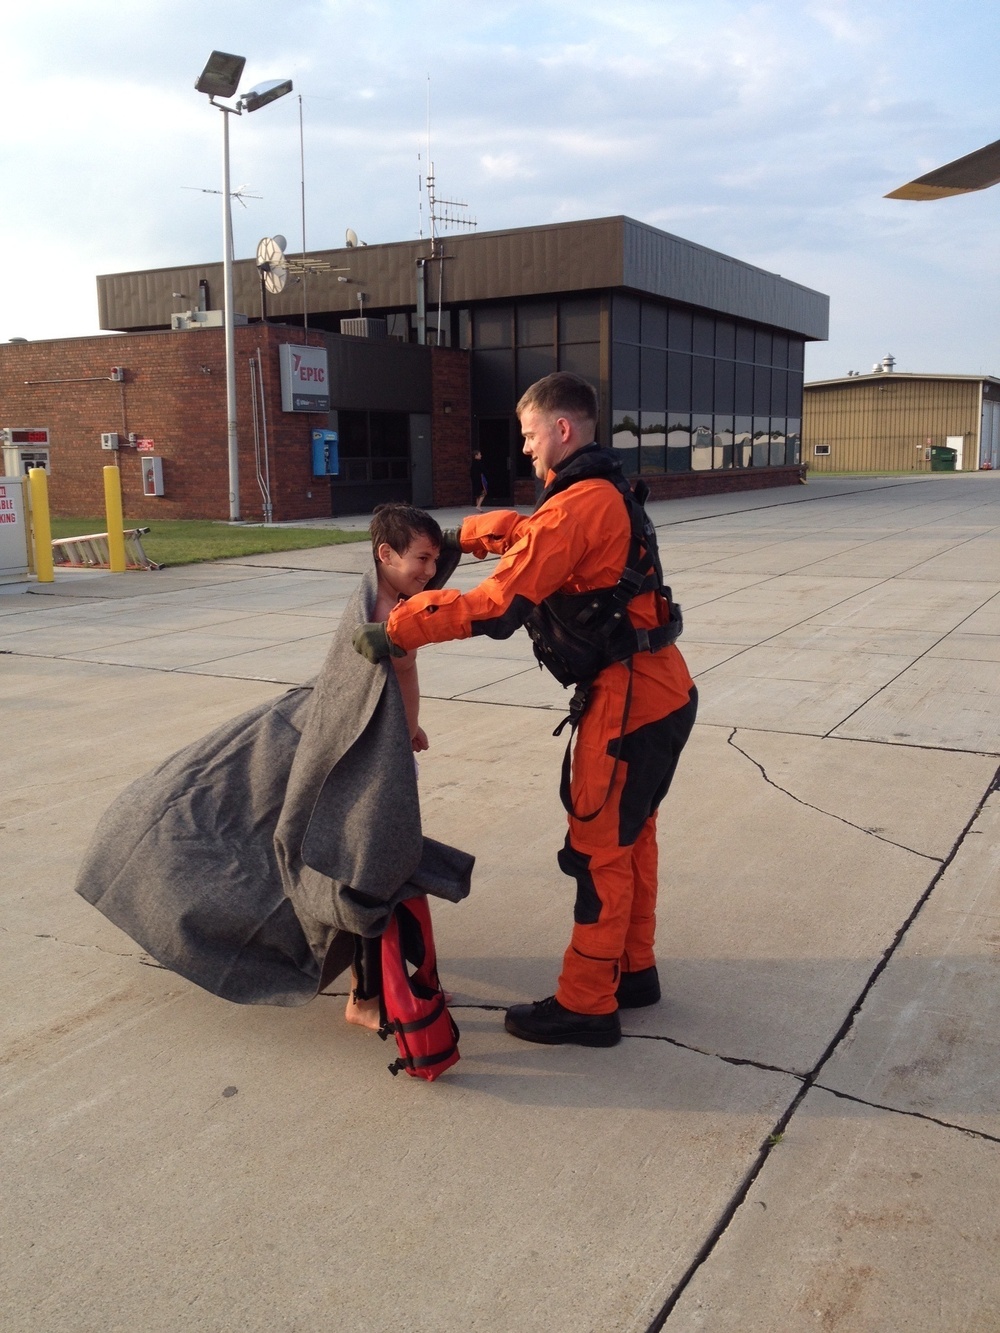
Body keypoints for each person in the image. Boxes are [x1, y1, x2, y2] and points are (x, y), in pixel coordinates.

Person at [353, 373, 697, 1048]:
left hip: (628, 702)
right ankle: (634, 969)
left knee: (600, 850)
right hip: (662, 691)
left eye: (530, 434)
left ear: (562, 430)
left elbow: (496, 607)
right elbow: (525, 531)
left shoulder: (578, 506)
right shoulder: (601, 494)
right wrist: (458, 536)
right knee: (633, 839)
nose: (528, 448)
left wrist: (395, 629)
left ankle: (588, 1002)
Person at [345, 502, 442, 1031]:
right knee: (372, 867)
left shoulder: (392, 595)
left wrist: (409, 727)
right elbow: (379, 686)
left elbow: (393, 685)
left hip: (391, 745)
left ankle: (375, 980)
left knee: (383, 864)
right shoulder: (384, 613)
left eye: (435, 559)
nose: (430, 570)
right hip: (376, 760)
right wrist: (397, 736)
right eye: (421, 559)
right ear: (385, 554)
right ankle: (362, 998)